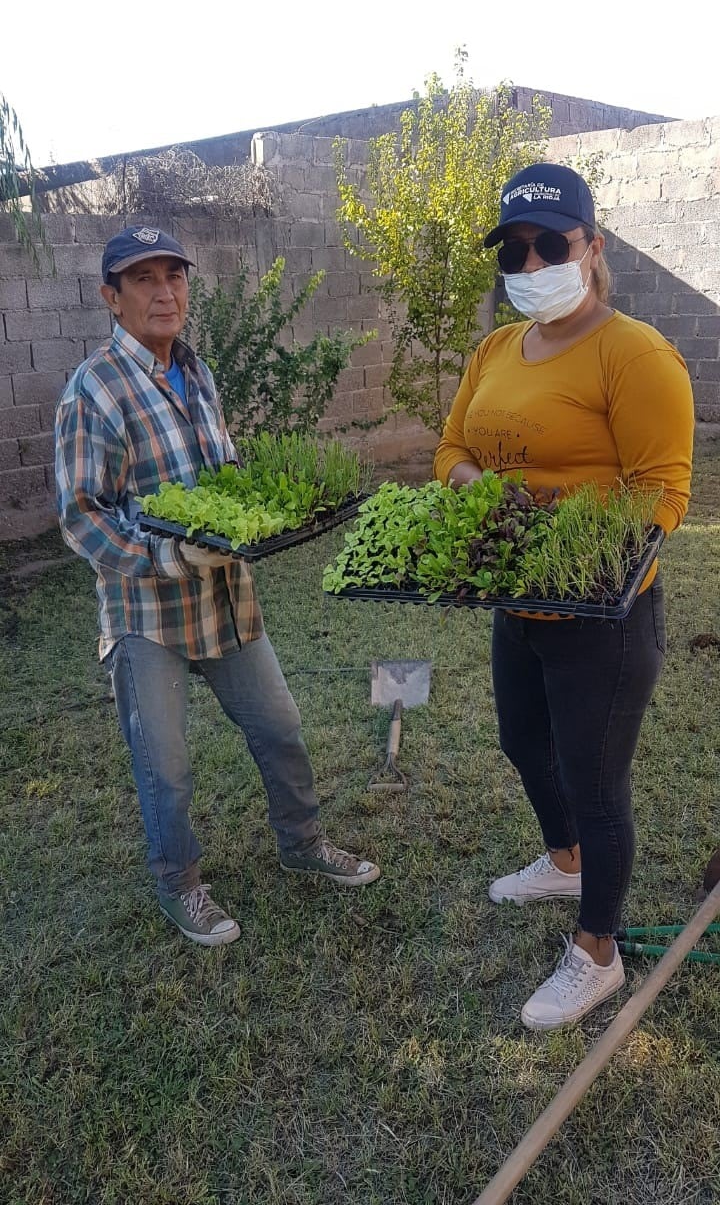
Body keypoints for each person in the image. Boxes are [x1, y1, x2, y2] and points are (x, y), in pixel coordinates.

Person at [55, 225, 380, 947]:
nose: (164, 290)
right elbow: (81, 519)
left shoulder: (196, 372)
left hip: (225, 599)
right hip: (146, 612)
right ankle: (179, 883)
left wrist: (268, 511)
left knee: (280, 727)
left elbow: (225, 476)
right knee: (164, 765)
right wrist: (168, 556)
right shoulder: (94, 390)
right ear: (112, 298)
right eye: (143, 279)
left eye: (175, 274)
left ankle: (302, 842)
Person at [434, 163, 694, 1029]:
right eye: (515, 246)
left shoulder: (635, 354)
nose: (532, 258)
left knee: (594, 774)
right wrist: (477, 484)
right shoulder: (493, 351)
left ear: (593, 248)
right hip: (518, 600)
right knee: (520, 738)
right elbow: (448, 452)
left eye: (552, 243)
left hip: (601, 612)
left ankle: (598, 952)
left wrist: (557, 526)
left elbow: (663, 493)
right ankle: (566, 859)